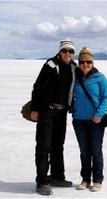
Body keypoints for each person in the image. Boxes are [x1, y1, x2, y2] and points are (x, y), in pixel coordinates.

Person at [31, 38, 77, 195]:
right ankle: (42, 181)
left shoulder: (73, 67)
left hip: (62, 112)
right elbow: (37, 86)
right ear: (59, 51)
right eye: (65, 51)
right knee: (44, 146)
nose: (67, 54)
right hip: (47, 111)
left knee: (58, 145)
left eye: (71, 51)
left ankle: (57, 176)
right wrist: (35, 108)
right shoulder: (50, 65)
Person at [72, 47, 107, 192]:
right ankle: (85, 179)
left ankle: (98, 180)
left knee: (96, 150)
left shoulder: (100, 78)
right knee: (84, 151)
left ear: (92, 63)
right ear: (79, 63)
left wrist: (99, 114)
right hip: (79, 120)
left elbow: (106, 98)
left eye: (88, 62)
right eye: (82, 62)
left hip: (96, 121)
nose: (85, 64)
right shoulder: (76, 78)